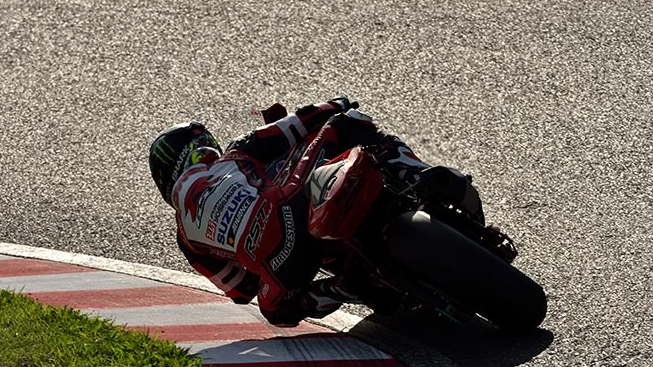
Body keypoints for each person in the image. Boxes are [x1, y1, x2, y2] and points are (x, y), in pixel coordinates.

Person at [148, 96, 483, 327]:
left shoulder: (186, 239)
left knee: (277, 311)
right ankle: (418, 174)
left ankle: (347, 287)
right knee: (346, 124)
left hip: (282, 263)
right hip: (288, 203)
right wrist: (336, 104)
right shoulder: (235, 154)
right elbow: (297, 123)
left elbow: (242, 291)